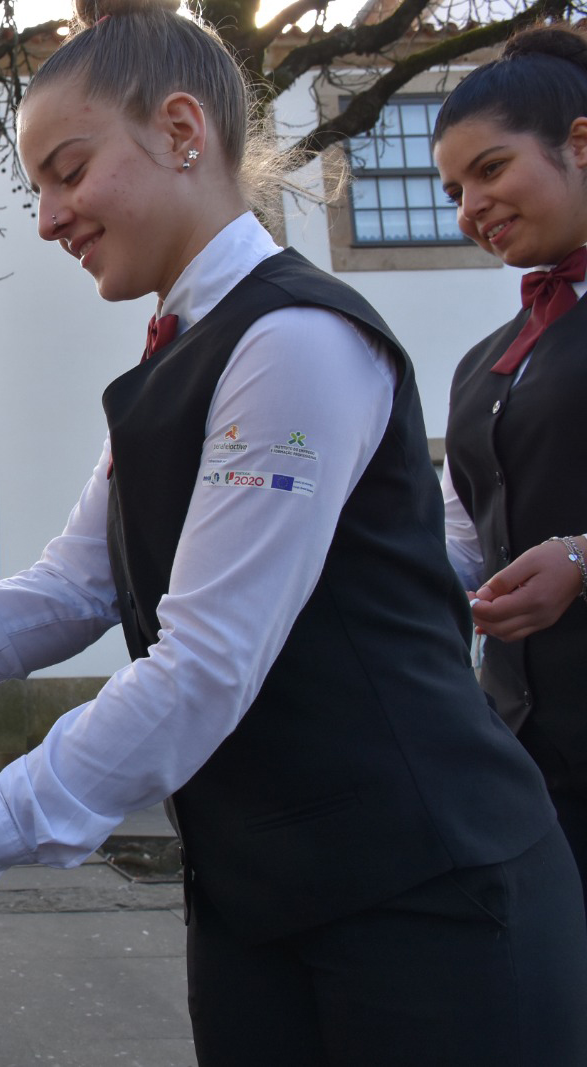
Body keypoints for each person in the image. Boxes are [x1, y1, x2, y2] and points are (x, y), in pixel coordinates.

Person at [0, 1, 587, 1062]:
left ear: (183, 133)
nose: (49, 218)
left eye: (67, 169)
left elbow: (204, 660)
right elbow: (70, 586)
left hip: (423, 890)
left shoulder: (294, 338)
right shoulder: (175, 363)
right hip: (261, 892)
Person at [432, 26, 587, 912]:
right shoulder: (486, 361)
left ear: (579, 142)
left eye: (490, 170)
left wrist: (581, 557)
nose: (468, 208)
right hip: (529, 766)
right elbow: (463, 538)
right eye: (454, 189)